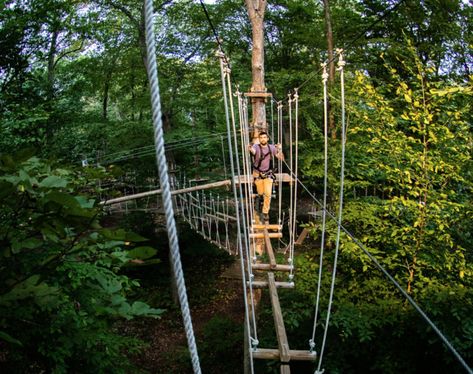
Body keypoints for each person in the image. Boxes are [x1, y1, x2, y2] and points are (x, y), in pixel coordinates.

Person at [247, 131, 283, 222]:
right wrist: (250, 149)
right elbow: (253, 152)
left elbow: (281, 158)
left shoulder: (271, 148)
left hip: (268, 174)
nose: (263, 139)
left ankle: (265, 212)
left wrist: (279, 149)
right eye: (261, 137)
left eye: (264, 137)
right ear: (259, 139)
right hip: (258, 174)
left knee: (268, 194)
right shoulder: (256, 147)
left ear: (267, 138)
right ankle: (258, 202)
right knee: (260, 193)